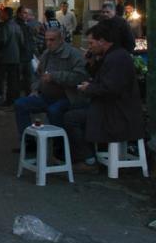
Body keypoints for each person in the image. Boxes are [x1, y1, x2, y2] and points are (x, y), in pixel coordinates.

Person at [65, 21, 146, 172]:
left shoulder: (117, 58)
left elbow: (110, 88)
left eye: (91, 43)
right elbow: (103, 79)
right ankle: (78, 155)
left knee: (71, 118)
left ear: (102, 41)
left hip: (118, 112)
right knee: (71, 107)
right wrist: (90, 63)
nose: (89, 46)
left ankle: (88, 160)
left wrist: (88, 88)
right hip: (112, 107)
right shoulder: (111, 55)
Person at [13, 28, 88, 140]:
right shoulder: (47, 54)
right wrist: (35, 89)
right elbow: (38, 74)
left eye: (52, 40)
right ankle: (28, 142)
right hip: (46, 95)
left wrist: (55, 76)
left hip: (67, 96)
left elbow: (80, 76)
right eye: (47, 40)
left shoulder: (73, 54)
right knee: (20, 104)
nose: (48, 43)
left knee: (54, 110)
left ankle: (60, 144)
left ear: (61, 39)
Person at [0, 7, 25, 106]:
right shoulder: (17, 26)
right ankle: (13, 99)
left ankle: (5, 99)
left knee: (1, 80)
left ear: (6, 14)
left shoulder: (5, 26)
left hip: (5, 57)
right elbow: (22, 42)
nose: (1, 15)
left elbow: (2, 40)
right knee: (13, 80)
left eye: (2, 13)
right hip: (15, 57)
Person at [15, 6, 36, 96]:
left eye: (27, 13)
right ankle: (17, 97)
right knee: (19, 78)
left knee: (29, 78)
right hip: (20, 56)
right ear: (19, 14)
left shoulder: (26, 25)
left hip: (27, 56)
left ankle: (27, 96)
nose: (26, 15)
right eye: (24, 13)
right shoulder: (17, 25)